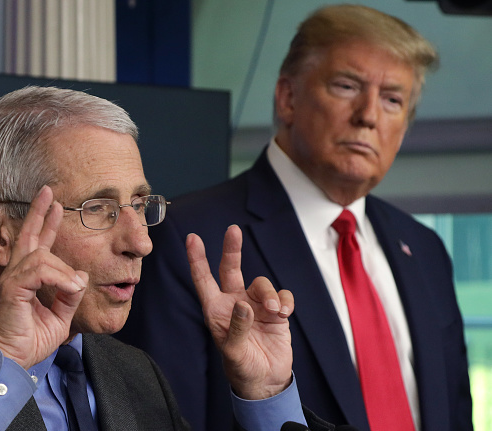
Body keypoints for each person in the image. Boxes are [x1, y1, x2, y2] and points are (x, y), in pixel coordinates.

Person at [116, 4, 473, 431]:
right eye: (346, 86)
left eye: (393, 99)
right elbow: (165, 420)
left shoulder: (426, 249)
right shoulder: (190, 236)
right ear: (288, 97)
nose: (369, 115)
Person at [0, 86, 334, 430]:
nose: (141, 242)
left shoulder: (136, 374)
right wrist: (3, 363)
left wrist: (265, 393)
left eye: (140, 205)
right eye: (98, 209)